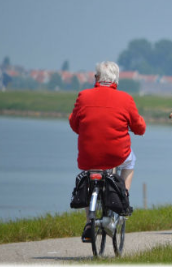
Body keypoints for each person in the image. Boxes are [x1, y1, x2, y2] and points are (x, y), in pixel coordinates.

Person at [69, 61, 146, 242]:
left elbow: (74, 124)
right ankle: (123, 197)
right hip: (116, 154)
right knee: (130, 162)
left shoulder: (83, 96)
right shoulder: (126, 99)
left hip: (89, 155)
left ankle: (90, 222)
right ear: (116, 80)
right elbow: (140, 127)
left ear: (97, 78)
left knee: (90, 176)